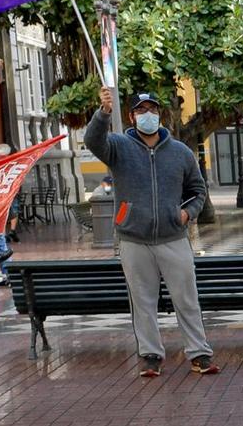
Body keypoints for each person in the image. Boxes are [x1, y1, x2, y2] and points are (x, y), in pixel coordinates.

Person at [83, 88, 218, 378]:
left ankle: (199, 353)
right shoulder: (118, 147)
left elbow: (198, 190)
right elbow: (92, 141)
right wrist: (103, 113)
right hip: (134, 238)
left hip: (173, 237)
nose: (148, 115)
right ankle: (150, 356)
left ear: (160, 114)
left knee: (187, 298)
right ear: (132, 116)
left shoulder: (180, 152)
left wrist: (186, 213)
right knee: (142, 302)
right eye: (142, 110)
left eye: (152, 109)